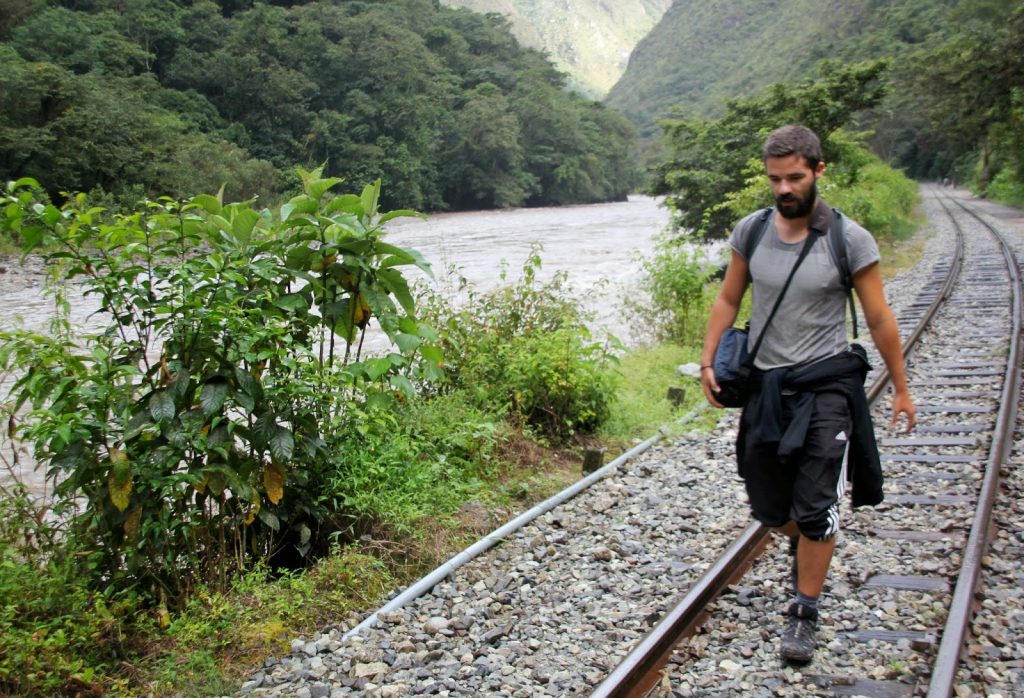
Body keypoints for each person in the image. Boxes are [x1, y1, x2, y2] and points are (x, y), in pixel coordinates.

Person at [699, 125, 916, 663]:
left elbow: (878, 316)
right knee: (769, 507)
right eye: (775, 179)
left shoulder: (849, 239)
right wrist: (708, 359)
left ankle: (803, 611)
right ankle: (804, 536)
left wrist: (903, 388)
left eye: (794, 177)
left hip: (826, 387)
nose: (783, 189)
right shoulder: (751, 232)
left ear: (819, 171)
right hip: (767, 388)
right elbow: (728, 299)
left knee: (816, 508)